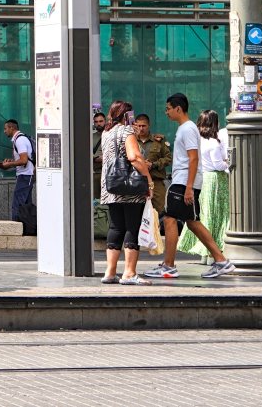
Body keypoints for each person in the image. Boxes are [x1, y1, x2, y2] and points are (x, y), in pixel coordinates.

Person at [145, 93, 234, 279]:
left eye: (168, 108)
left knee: (172, 219)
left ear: (178, 108)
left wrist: (188, 187)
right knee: (191, 222)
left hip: (183, 182)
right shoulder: (185, 129)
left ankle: (170, 266)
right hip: (183, 181)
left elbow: (193, 158)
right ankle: (220, 261)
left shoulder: (187, 129)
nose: (166, 112)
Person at [98, 100, 152, 285]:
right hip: (130, 187)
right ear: (126, 115)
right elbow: (134, 157)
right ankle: (129, 273)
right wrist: (148, 180)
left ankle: (110, 272)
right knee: (131, 227)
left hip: (111, 186)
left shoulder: (106, 132)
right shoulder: (127, 131)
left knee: (116, 227)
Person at [178, 110, 229, 261]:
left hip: (200, 178)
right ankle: (215, 253)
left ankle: (204, 254)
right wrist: (228, 161)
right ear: (215, 123)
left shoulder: (195, 141)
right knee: (217, 214)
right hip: (215, 180)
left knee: (204, 214)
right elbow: (218, 165)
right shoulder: (213, 142)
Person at [134, 113, 171, 214]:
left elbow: (168, 158)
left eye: (144, 126)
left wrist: (153, 164)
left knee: (160, 213)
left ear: (148, 125)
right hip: (136, 182)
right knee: (137, 214)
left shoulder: (158, 140)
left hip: (156, 182)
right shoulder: (131, 141)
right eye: (139, 126)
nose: (141, 129)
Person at [0, 119, 34, 222]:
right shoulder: (20, 139)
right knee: (26, 205)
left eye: (5, 128)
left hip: (25, 176)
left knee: (17, 204)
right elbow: (23, 159)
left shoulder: (20, 140)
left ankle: (16, 229)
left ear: (11, 128)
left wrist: (10, 164)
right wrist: (11, 162)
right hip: (27, 175)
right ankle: (27, 229)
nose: (4, 131)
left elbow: (24, 160)